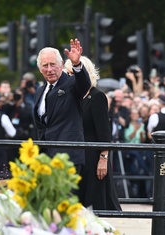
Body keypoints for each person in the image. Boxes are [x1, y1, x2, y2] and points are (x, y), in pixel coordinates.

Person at [64, 56, 121, 210]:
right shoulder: (70, 97)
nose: (70, 77)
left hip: (93, 158)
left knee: (95, 204)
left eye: (72, 73)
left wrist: (103, 159)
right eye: (68, 74)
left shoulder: (97, 96)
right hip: (74, 156)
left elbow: (104, 131)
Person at [33, 38, 91, 178]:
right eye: (45, 65)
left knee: (65, 199)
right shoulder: (40, 91)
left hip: (67, 157)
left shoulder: (71, 84)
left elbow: (84, 84)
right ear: (40, 69)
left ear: (62, 64)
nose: (49, 69)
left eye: (53, 64)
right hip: (45, 158)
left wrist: (77, 64)